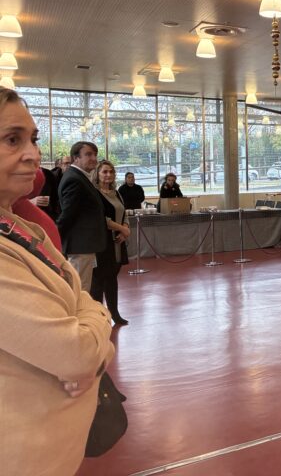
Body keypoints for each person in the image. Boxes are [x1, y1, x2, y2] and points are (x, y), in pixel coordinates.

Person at [0, 87, 115, 475]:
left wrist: (90, 326)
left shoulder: (20, 227)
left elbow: (79, 299)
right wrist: (94, 333)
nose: (33, 154)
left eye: (33, 139)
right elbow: (76, 353)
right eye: (12, 139)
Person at [57, 140, 107, 293]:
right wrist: (55, 235)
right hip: (80, 246)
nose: (93, 158)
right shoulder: (75, 179)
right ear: (76, 158)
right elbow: (68, 214)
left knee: (83, 288)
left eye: (95, 154)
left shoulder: (81, 177)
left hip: (84, 245)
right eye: (88, 155)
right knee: (80, 290)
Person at [92, 160, 131, 325]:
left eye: (111, 172)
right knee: (98, 281)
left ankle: (114, 313)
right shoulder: (94, 193)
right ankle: (99, 316)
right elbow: (102, 219)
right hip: (103, 242)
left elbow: (124, 213)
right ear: (97, 174)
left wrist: (125, 228)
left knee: (112, 279)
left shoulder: (116, 193)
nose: (108, 175)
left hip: (117, 242)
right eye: (104, 172)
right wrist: (122, 229)